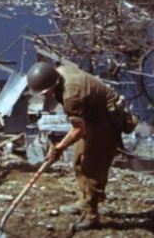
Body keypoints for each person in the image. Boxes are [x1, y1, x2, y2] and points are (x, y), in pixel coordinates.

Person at [26, 61, 120, 230]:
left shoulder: (71, 95)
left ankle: (92, 216)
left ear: (51, 86)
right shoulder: (59, 72)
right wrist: (59, 146)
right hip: (91, 117)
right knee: (78, 161)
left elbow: (78, 130)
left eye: (45, 92)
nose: (44, 96)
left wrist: (58, 148)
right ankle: (84, 200)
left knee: (90, 169)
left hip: (106, 122)